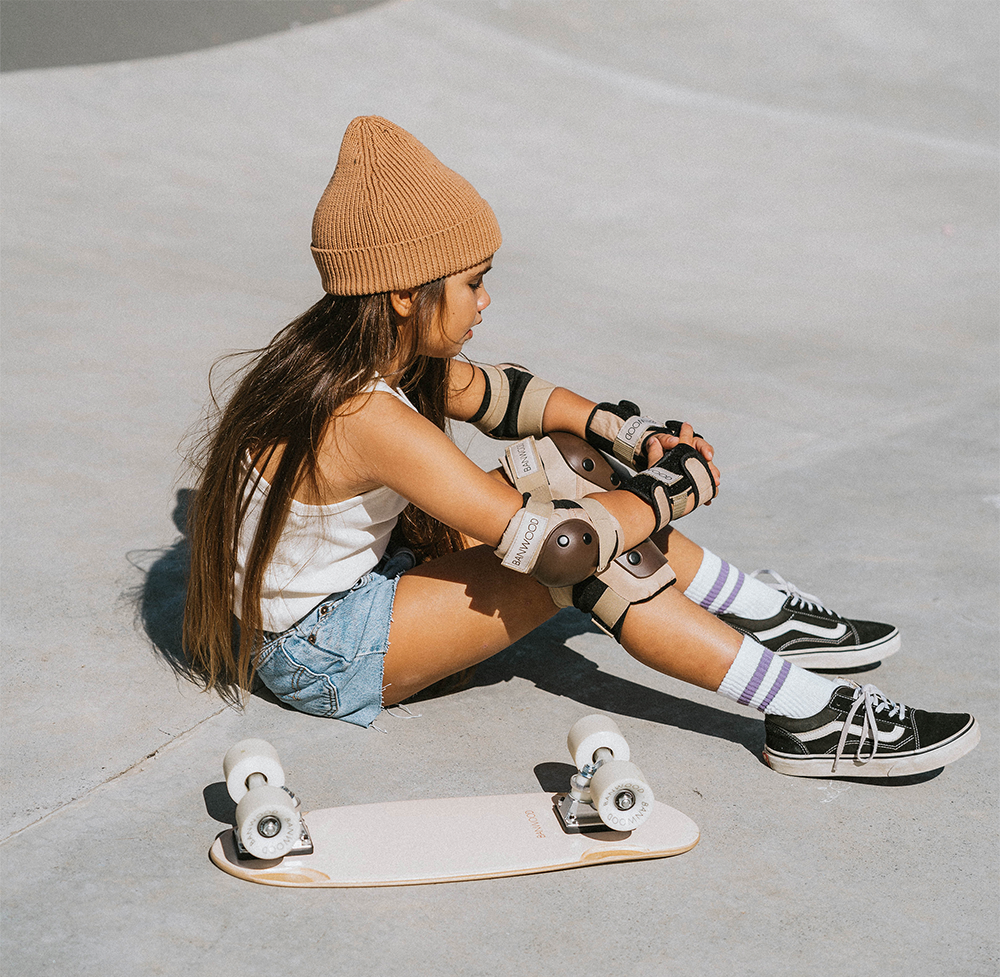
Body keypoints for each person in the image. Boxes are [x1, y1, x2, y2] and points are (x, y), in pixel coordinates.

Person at [183, 115, 979, 779]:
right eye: (473, 282)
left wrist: (630, 434)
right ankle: (808, 714)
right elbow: (557, 547)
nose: (486, 301)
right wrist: (673, 488)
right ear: (402, 290)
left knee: (572, 464)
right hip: (322, 648)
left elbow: (510, 397)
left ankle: (760, 612)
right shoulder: (363, 414)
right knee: (583, 561)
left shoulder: (347, 356)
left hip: (362, 584)